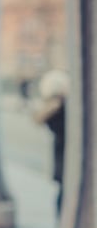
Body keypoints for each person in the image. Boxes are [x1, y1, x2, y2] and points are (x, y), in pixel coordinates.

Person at [32, 69, 68, 217]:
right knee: (64, 192)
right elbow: (38, 119)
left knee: (64, 192)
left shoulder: (64, 107)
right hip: (64, 155)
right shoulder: (55, 109)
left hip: (66, 155)